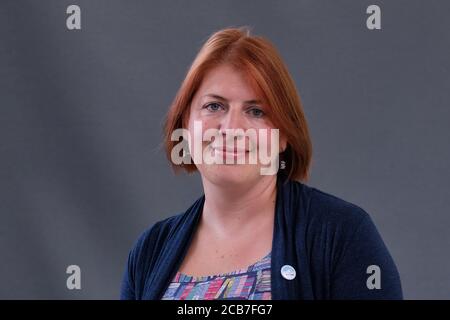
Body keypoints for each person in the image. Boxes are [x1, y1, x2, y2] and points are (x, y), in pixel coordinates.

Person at [120, 26, 402, 300]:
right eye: (214, 106)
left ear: (284, 137)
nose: (231, 128)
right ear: (185, 122)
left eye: (256, 111)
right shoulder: (150, 252)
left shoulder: (342, 235)